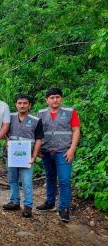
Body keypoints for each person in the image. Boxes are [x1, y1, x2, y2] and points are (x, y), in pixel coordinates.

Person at [36, 88, 80, 222]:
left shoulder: (70, 112)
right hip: (46, 151)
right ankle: (50, 202)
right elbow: (36, 133)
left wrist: (72, 149)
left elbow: (76, 130)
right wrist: (36, 150)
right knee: (50, 177)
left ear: (61, 98)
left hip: (64, 151)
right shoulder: (41, 113)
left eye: (57, 97)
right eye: (52, 97)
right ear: (47, 100)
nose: (55, 100)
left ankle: (64, 208)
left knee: (64, 180)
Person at [2, 94, 44, 218]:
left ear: (29, 105)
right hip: (11, 155)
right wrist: (7, 141)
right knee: (12, 179)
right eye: (19, 103)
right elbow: (4, 132)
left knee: (26, 181)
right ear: (16, 104)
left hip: (27, 157)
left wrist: (34, 156)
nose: (22, 105)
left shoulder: (36, 120)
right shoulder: (10, 118)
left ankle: (28, 206)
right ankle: (15, 202)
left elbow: (38, 140)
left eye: (25, 103)